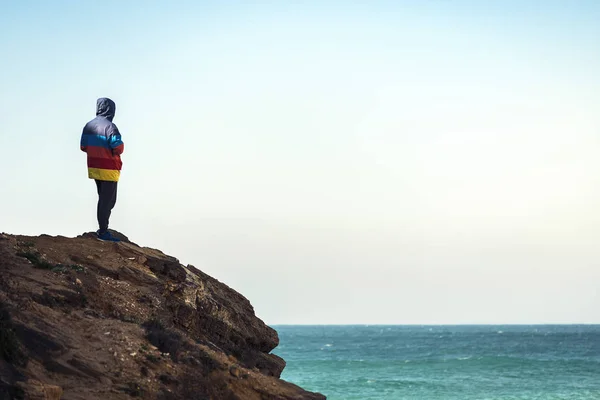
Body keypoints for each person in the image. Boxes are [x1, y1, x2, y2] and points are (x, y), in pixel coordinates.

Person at [80, 97, 124, 242]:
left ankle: (102, 229)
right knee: (108, 201)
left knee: (103, 198)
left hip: (95, 167)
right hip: (109, 168)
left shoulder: (88, 126)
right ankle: (103, 232)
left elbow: (83, 146)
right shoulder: (110, 127)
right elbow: (118, 147)